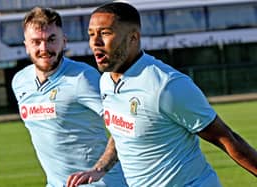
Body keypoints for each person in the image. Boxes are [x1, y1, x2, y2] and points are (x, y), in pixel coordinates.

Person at [66, 2, 257, 187]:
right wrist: (99, 169)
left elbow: (226, 138)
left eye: (105, 33)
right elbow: (121, 131)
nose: (95, 42)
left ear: (133, 38)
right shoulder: (106, 81)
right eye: (91, 34)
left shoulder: (166, 85)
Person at [11, 7, 127, 187]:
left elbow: (126, 125)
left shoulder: (82, 78)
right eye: (36, 42)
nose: (44, 48)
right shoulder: (20, 82)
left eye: (51, 40)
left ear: (63, 41)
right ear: (26, 45)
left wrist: (99, 169)